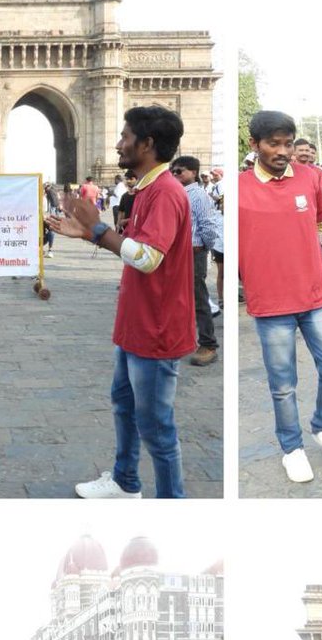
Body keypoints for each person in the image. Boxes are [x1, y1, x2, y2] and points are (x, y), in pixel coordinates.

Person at [46, 106, 194, 500]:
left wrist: (97, 230)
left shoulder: (165, 192)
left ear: (147, 144)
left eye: (126, 136)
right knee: (124, 406)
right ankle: (126, 481)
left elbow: (148, 258)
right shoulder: (145, 189)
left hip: (157, 328)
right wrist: (92, 234)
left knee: (157, 428)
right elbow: (136, 251)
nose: (118, 143)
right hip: (136, 323)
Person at [239, 110, 322, 485]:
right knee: (283, 383)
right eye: (274, 143)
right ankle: (292, 447)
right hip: (271, 304)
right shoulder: (239, 188)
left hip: (314, 294)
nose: (283, 151)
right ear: (254, 144)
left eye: (288, 144)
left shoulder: (308, 177)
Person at [170, 155, 223, 367]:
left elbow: (208, 225)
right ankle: (181, 338)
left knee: (199, 299)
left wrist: (204, 248)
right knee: (178, 297)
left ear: (193, 172)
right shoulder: (177, 193)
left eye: (179, 171)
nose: (175, 175)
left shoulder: (198, 195)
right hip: (177, 252)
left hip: (194, 251)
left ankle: (209, 344)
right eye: (173, 171)